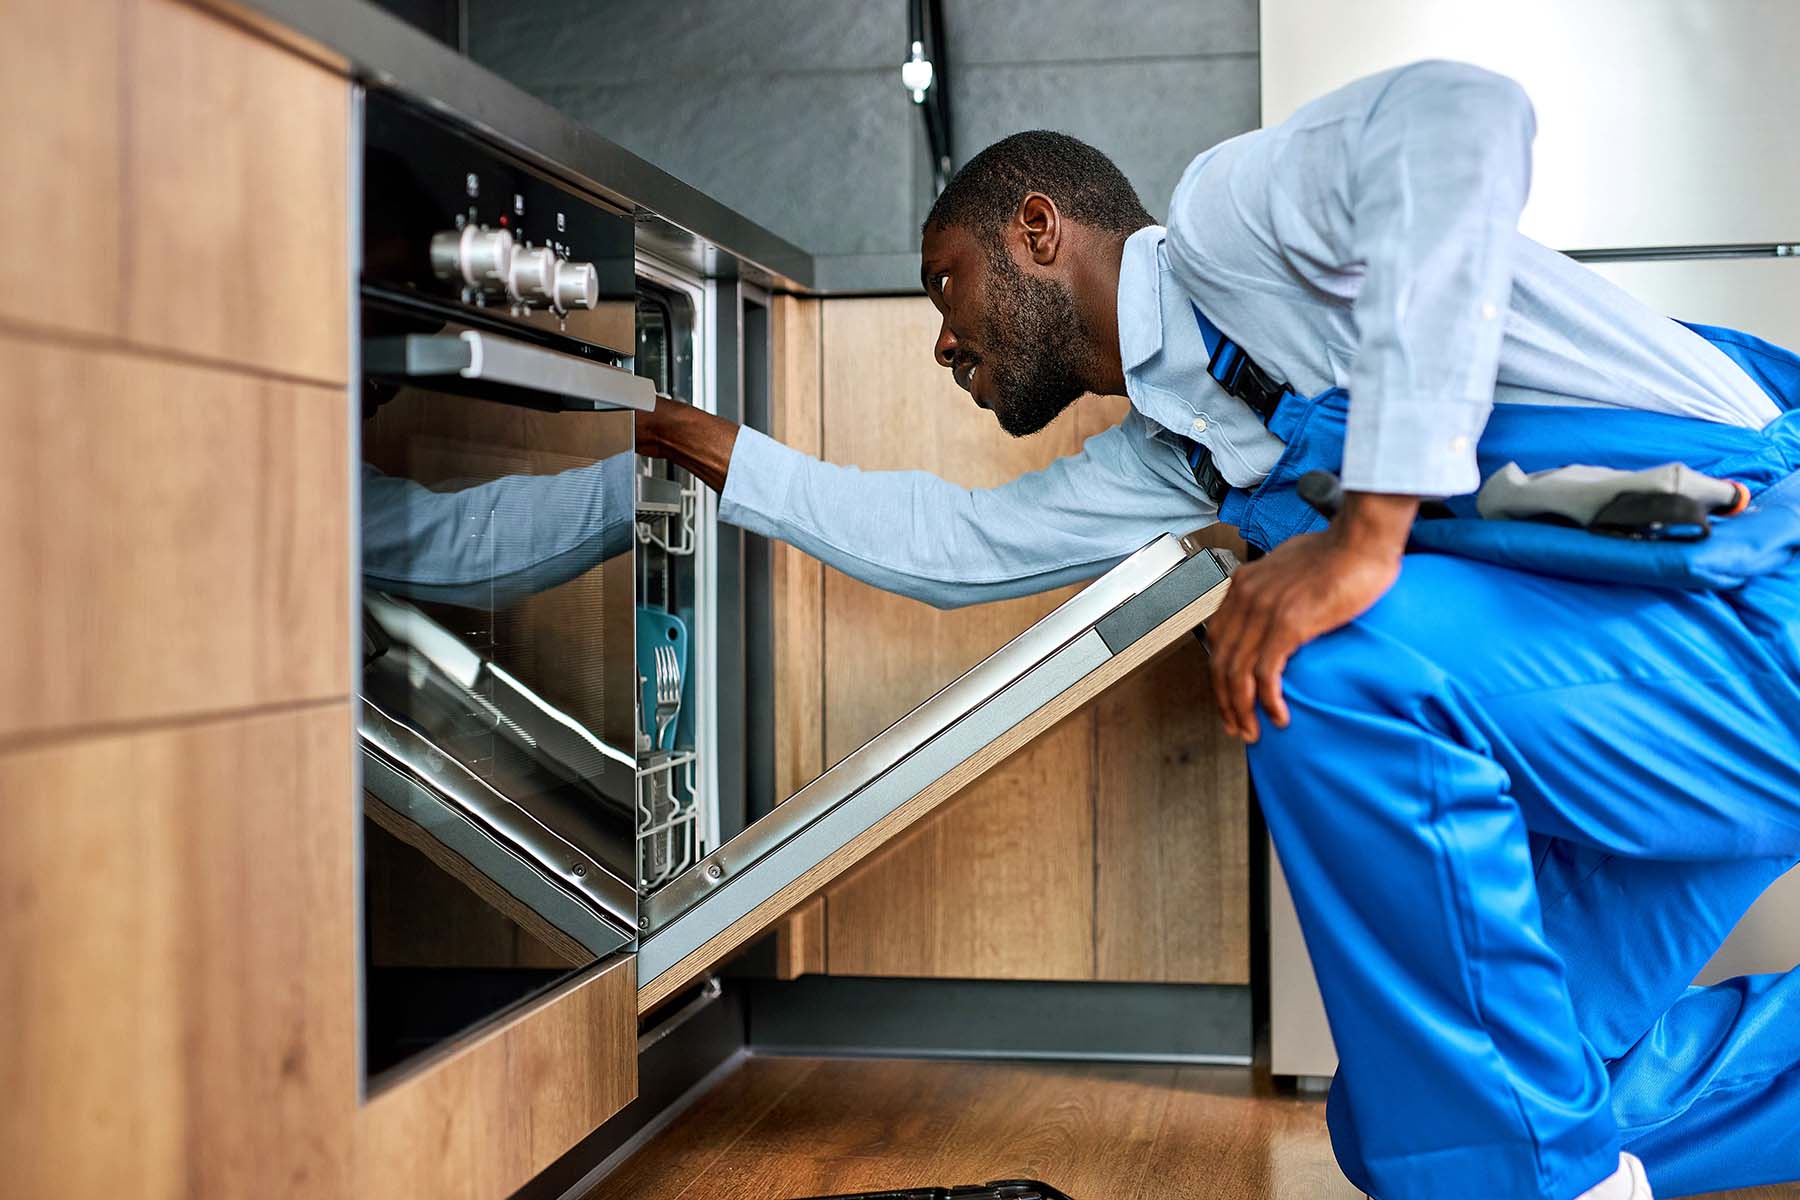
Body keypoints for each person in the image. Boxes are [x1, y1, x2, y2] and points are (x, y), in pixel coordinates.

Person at [633, 61, 1800, 1200]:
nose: (943, 340)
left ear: (1038, 229)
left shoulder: (1227, 225)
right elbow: (949, 545)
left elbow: (1463, 114)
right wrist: (683, 433)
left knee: (1326, 658)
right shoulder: (1177, 458)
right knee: (1447, 1108)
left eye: (946, 286)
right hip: (1639, 678)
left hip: (1754, 581)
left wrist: (1368, 531)